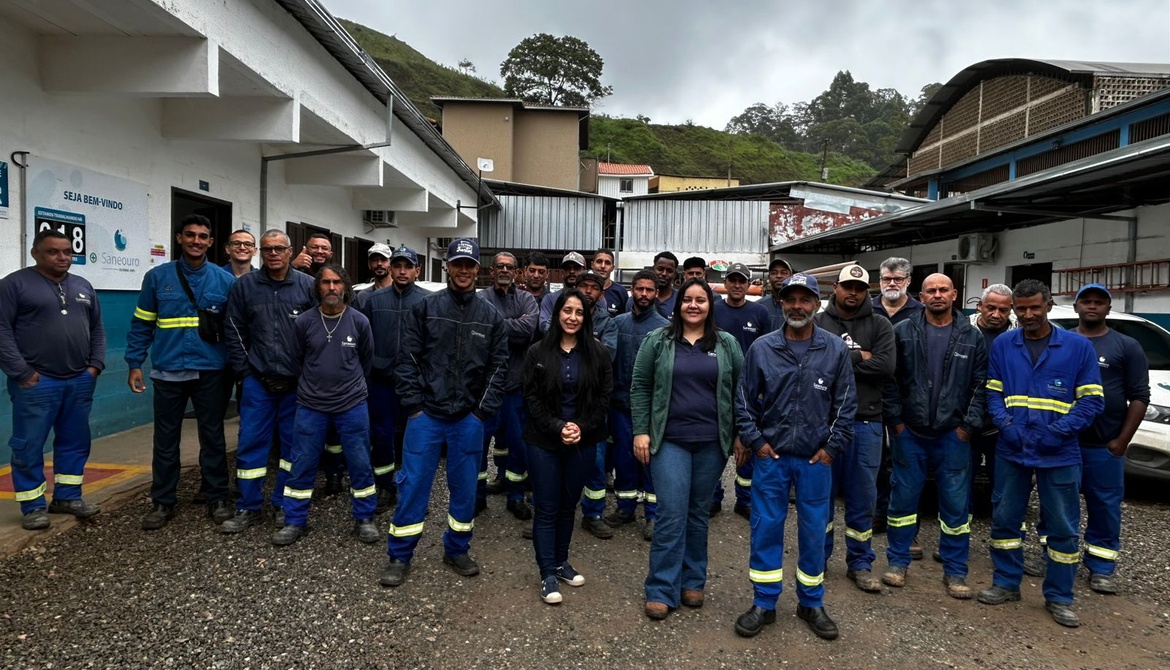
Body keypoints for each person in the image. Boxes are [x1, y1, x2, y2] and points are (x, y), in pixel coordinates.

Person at [380, 238, 509, 587]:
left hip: (468, 419)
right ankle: (400, 554)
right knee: (413, 486)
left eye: (469, 265)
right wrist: (414, 407)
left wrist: (481, 413)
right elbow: (406, 360)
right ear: (447, 267)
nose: (463, 270)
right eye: (457, 264)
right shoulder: (426, 309)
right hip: (426, 417)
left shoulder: (491, 317)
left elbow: (498, 369)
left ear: (477, 270)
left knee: (465, 489)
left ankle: (457, 549)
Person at [733, 273, 855, 640]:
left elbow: (846, 405)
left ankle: (811, 602)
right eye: (791, 300)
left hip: (816, 460)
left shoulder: (834, 349)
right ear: (781, 303)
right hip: (772, 458)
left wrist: (831, 448)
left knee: (814, 532)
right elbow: (743, 401)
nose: (797, 307)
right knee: (765, 528)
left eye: (805, 300)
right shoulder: (763, 348)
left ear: (817, 304)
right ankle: (764, 603)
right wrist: (756, 442)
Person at [978, 279, 1104, 628]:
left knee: (1062, 526)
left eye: (1035, 307)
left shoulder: (1077, 347)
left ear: (1049, 305)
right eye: (1021, 309)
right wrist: (1005, 425)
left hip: (1059, 451)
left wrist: (1058, 432)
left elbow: (1092, 400)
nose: (1028, 314)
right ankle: (1006, 583)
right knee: (1005, 518)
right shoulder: (1005, 344)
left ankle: (1060, 597)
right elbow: (993, 392)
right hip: (1013, 447)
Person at [634, 278, 744, 620]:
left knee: (698, 513)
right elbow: (640, 386)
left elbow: (740, 390)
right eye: (687, 300)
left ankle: (692, 581)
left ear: (710, 305)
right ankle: (661, 588)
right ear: (678, 304)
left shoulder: (726, 343)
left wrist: (740, 434)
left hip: (712, 443)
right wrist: (641, 431)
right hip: (670, 441)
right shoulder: (658, 340)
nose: (693, 305)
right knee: (671, 512)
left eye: (701, 300)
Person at [880, 273, 986, 600]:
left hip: (953, 436)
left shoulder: (972, 336)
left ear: (954, 295)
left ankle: (955, 570)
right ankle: (897, 563)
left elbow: (981, 386)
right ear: (921, 296)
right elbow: (889, 380)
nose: (937, 295)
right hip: (910, 433)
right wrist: (896, 422)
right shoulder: (903, 332)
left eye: (943, 290)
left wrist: (967, 427)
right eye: (931, 290)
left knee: (955, 506)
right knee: (903, 501)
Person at [126, 214, 236, 530]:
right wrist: (134, 363)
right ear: (179, 238)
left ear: (211, 242)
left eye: (202, 236)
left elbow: (235, 329)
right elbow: (142, 324)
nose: (196, 241)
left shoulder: (225, 281)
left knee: (212, 437)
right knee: (165, 439)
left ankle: (217, 497)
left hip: (210, 370)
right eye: (190, 235)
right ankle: (162, 501)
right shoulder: (156, 278)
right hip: (168, 370)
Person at [0, 230, 106, 530]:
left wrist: (95, 366)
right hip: (37, 382)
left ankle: (67, 497)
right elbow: (2, 331)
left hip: (79, 379)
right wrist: (22, 372)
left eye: (67, 252)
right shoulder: (14, 285)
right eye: (53, 251)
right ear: (35, 253)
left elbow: (97, 329)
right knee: (29, 445)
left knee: (75, 441)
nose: (62, 257)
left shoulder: (83, 286)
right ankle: (33, 506)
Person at [273, 265, 378, 546]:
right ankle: (294, 520)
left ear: (345, 287)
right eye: (326, 282)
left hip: (352, 404)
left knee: (360, 462)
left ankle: (365, 518)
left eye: (337, 282)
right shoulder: (304, 322)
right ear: (317, 287)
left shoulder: (359, 321)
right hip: (311, 405)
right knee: (302, 463)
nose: (332, 287)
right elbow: (297, 360)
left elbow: (366, 360)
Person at [522, 289, 613, 604]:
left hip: (583, 441)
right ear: (557, 313)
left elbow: (604, 398)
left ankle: (561, 562)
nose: (572, 317)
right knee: (547, 507)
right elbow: (531, 398)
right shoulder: (537, 352)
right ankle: (547, 572)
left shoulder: (598, 354)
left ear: (586, 317)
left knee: (567, 505)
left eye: (579, 312)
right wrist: (558, 426)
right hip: (544, 441)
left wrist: (581, 428)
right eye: (567, 310)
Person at [220, 230, 315, 533]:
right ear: (260, 252)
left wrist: (308, 373)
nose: (273, 254)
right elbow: (234, 330)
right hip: (257, 381)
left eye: (279, 249)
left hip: (296, 384)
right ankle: (248, 506)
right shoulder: (245, 286)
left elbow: (317, 332)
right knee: (251, 443)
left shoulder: (308, 286)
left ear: (290, 252)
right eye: (268, 249)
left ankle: (284, 504)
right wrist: (244, 371)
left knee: (293, 446)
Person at [1055, 283, 1147, 594]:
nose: (1092, 306)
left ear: (1108, 307)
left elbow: (1139, 396)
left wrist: (1121, 442)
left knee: (1105, 507)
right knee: (1057, 505)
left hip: (1104, 445)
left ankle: (1101, 567)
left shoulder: (1126, 346)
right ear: (1076, 307)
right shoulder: (1061, 342)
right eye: (1086, 301)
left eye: (1099, 302)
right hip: (1064, 443)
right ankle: (1053, 558)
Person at [813, 264, 895, 593]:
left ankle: (860, 563)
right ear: (835, 287)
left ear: (867, 292)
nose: (853, 293)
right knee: (821, 497)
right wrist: (861, 356)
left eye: (860, 289)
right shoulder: (819, 322)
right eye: (848, 286)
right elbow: (814, 365)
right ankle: (817, 559)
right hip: (824, 424)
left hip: (866, 422)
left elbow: (886, 365)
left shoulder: (880, 323)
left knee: (863, 498)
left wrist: (841, 359)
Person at [359, 245, 427, 513]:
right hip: (381, 383)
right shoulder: (374, 301)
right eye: (397, 265)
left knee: (414, 440)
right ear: (391, 268)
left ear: (417, 271)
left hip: (414, 384)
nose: (402, 271)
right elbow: (364, 343)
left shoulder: (426, 301)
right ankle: (385, 487)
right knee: (382, 437)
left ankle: (411, 491)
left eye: (408, 266)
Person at [606, 270, 668, 541]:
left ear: (656, 293)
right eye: (639, 289)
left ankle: (653, 515)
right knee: (624, 459)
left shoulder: (665, 329)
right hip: (619, 405)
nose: (643, 294)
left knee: (651, 462)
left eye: (649, 290)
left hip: (652, 410)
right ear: (632, 290)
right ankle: (625, 508)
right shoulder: (617, 323)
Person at [477, 251, 539, 520]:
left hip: (515, 387)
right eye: (499, 266)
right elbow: (478, 333)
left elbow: (527, 331)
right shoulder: (480, 298)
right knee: (478, 446)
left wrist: (494, 325)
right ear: (492, 271)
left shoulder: (526, 299)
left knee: (518, 445)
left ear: (517, 272)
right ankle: (477, 496)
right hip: (484, 388)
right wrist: (509, 325)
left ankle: (515, 496)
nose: (504, 270)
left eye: (509, 267)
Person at [712, 262, 772, 518]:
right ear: (725, 283)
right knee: (715, 444)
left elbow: (769, 350)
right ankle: (713, 497)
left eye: (742, 281)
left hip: (751, 389)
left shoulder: (760, 313)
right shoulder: (713, 310)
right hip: (717, 387)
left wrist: (764, 387)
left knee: (748, 442)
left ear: (749, 285)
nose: (737, 285)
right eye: (733, 280)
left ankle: (744, 500)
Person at [573, 270, 619, 539]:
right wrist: (592, 343)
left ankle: (593, 514)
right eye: (584, 286)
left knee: (596, 461)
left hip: (593, 404)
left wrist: (578, 344)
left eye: (593, 287)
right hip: (561, 400)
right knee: (555, 460)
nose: (588, 291)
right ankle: (549, 513)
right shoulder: (563, 315)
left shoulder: (608, 323)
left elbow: (606, 357)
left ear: (601, 294)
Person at [967, 284, 1016, 515]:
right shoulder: (962, 329)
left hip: (1004, 422)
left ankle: (1005, 528)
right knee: (961, 479)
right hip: (966, 418)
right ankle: (959, 530)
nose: (996, 314)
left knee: (1005, 480)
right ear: (980, 306)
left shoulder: (1020, 333)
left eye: (1003, 310)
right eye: (991, 308)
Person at [539, 252, 589, 333]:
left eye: (576, 268)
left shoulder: (591, 298)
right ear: (562, 273)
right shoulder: (550, 299)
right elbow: (544, 327)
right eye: (567, 268)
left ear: (584, 272)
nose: (572, 271)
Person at [873, 257, 924, 324]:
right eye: (886, 279)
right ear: (880, 281)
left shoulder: (921, 312)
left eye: (898, 279)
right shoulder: (866, 308)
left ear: (908, 281)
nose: (892, 284)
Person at [591, 249, 628, 318]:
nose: (603, 266)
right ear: (592, 265)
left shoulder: (621, 292)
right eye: (599, 261)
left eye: (607, 263)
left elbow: (625, 319)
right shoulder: (584, 290)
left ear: (612, 268)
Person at [761, 257, 793, 332]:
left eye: (783, 272)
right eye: (774, 273)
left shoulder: (798, 307)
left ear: (791, 276)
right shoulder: (760, 306)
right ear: (769, 277)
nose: (778, 276)